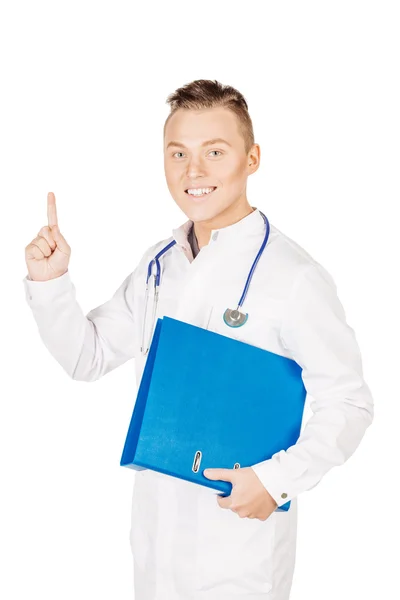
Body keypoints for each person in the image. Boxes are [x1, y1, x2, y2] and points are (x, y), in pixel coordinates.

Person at [23, 79, 374, 600]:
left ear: (252, 158)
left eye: (215, 151)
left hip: (241, 557)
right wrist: (50, 283)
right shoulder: (160, 265)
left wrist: (277, 480)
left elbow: (349, 401)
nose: (194, 171)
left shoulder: (293, 276)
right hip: (156, 552)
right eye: (178, 153)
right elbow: (87, 356)